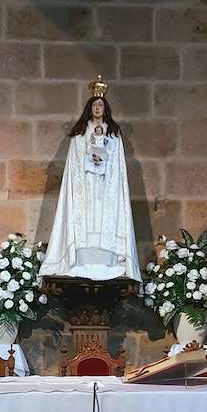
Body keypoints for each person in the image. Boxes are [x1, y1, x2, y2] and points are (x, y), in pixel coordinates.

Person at [39, 87, 141, 282]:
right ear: (89, 108)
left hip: (105, 187)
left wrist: (103, 159)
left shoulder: (113, 134)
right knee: (85, 219)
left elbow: (117, 165)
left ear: (106, 108)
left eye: (100, 104)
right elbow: (75, 163)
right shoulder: (80, 133)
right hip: (85, 186)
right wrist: (89, 158)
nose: (97, 108)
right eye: (94, 104)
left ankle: (108, 260)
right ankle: (80, 261)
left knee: (105, 219)